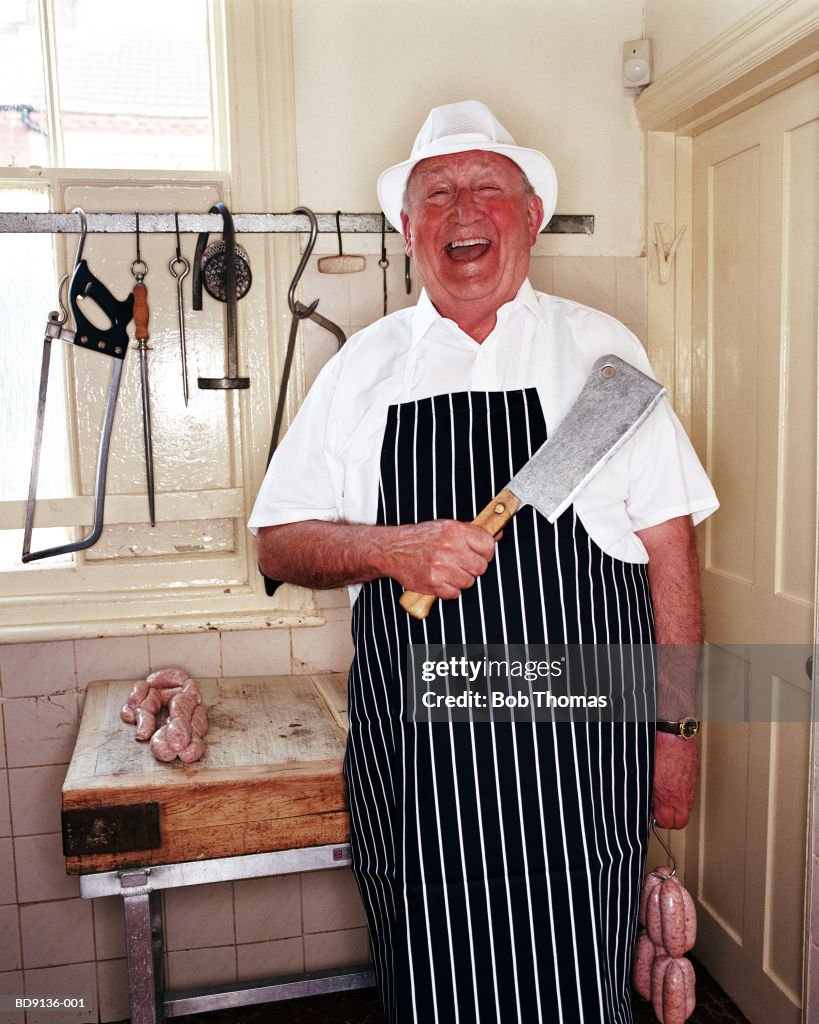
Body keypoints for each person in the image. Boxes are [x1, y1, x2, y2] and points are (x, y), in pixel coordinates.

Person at [250, 100, 717, 1024]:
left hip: (577, 765)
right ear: (407, 226)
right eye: (438, 194)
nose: (464, 211)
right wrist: (393, 550)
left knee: (581, 987)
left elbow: (671, 555)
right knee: (432, 984)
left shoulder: (600, 356)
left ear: (531, 215)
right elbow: (277, 542)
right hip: (424, 770)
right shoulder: (362, 372)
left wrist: (677, 737)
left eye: (487, 188)